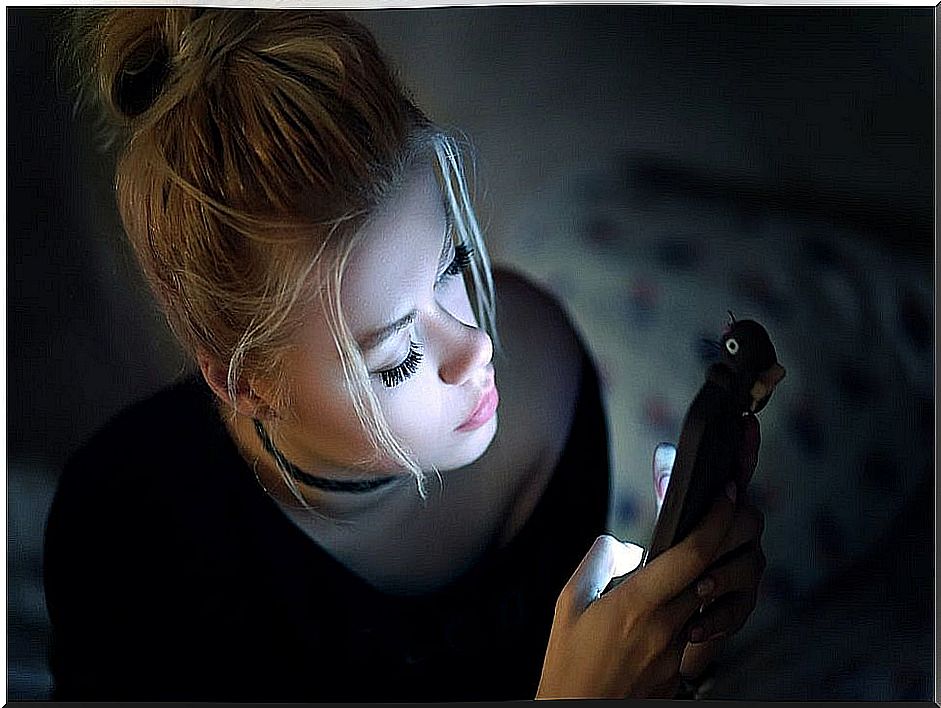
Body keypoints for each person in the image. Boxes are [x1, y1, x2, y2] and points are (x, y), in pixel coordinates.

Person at [43, 8, 766, 701]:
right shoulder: (121, 537)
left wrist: (669, 654)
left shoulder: (545, 379)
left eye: (452, 267)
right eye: (395, 358)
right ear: (248, 387)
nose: (478, 346)